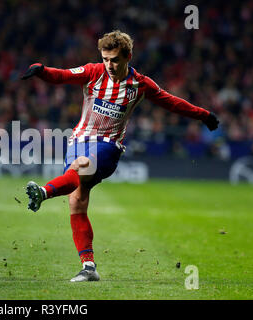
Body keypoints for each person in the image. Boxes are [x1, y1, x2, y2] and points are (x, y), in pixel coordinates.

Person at [20, 30, 219, 282]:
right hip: (78, 140)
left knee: (81, 167)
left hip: (108, 146)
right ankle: (88, 267)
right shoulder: (93, 72)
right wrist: (41, 70)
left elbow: (172, 102)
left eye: (114, 59)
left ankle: (44, 193)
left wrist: (203, 114)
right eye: (105, 59)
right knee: (76, 201)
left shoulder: (141, 84)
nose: (109, 65)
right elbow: (63, 76)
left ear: (128, 56)